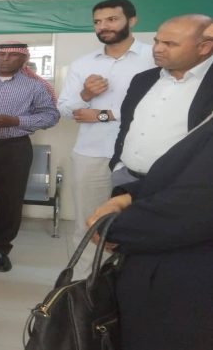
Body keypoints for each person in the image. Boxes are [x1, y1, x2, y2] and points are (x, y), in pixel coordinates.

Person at [86, 110, 213, 350]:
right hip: (167, 278)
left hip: (186, 292)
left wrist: (113, 230)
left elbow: (194, 204)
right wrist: (128, 197)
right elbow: (182, 174)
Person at [56, 0, 154, 250]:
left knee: (137, 226)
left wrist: (103, 115)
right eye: (97, 22)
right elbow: (65, 109)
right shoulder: (83, 64)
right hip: (92, 153)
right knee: (88, 225)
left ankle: (122, 275)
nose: (103, 26)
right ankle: (85, 276)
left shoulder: (154, 58)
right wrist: (86, 94)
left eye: (112, 19)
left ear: (132, 21)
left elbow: (159, 107)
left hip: (143, 154)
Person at [0, 42, 60, 271]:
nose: (5, 58)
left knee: (10, 201)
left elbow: (51, 116)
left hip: (15, 148)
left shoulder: (34, 86)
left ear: (24, 59)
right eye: (1, 54)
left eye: (12, 55)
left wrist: (16, 121)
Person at [110, 14, 213, 185]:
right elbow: (126, 125)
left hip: (182, 188)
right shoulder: (143, 80)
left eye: (170, 44)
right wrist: (117, 165)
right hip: (125, 178)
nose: (157, 49)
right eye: (156, 41)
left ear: (204, 47)